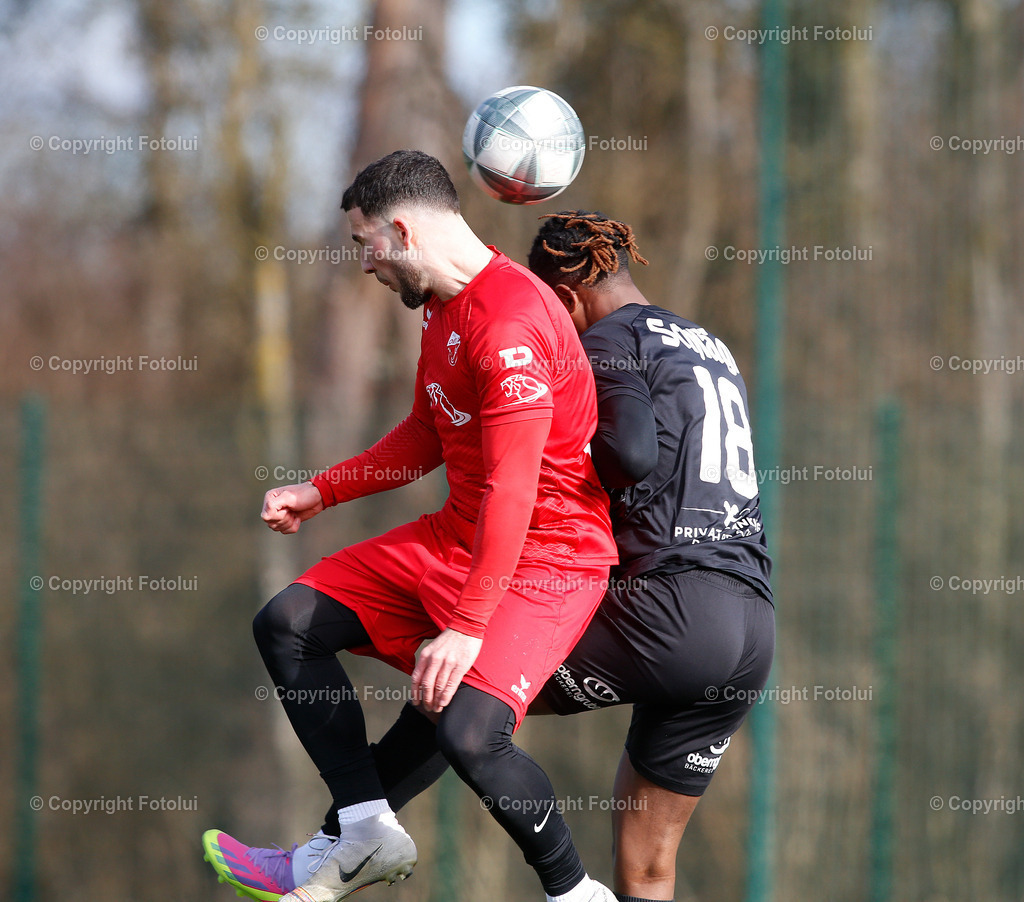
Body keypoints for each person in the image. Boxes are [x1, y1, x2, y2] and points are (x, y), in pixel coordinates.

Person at [202, 155, 620, 902]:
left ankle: (576, 893)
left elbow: (515, 488)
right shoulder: (444, 310)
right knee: (289, 622)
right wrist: (319, 491)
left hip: (548, 556)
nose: (365, 265)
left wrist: (465, 625)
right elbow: (427, 434)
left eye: (365, 244)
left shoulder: (513, 322)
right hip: (463, 534)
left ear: (402, 230)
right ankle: (363, 829)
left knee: (467, 733)